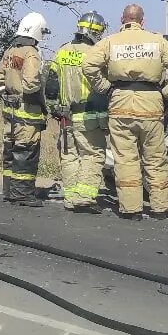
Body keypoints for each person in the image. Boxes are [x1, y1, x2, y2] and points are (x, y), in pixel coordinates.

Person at [82, 4, 168, 221]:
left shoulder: (110, 41)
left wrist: (105, 87)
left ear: (122, 19)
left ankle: (131, 209)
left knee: (126, 159)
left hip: (120, 102)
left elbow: (88, 64)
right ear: (142, 21)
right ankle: (161, 208)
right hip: (151, 103)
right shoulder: (156, 41)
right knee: (155, 158)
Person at [44, 11, 108, 213]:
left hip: (65, 116)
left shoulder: (62, 51)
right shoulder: (96, 53)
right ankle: (85, 196)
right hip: (88, 115)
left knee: (70, 155)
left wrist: (55, 108)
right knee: (92, 154)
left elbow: (51, 84)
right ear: (96, 31)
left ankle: (71, 197)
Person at [0, 12, 49, 206]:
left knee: (10, 150)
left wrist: (6, 94)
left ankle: (9, 190)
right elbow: (32, 83)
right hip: (28, 112)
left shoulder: (10, 51)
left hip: (10, 111)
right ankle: (23, 194)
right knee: (26, 151)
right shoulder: (31, 53)